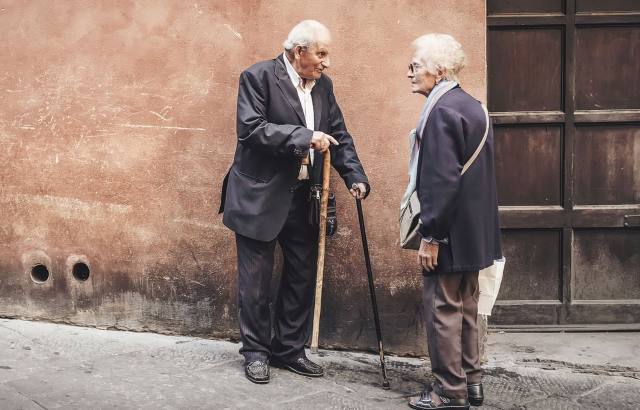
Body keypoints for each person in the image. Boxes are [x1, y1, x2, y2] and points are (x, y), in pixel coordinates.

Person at [219, 20, 370, 384]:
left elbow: (338, 134)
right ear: (298, 51)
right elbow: (252, 129)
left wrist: (355, 176)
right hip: (259, 196)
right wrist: (304, 136)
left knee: (302, 276)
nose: (326, 62)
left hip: (304, 197)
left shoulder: (324, 86)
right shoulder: (257, 77)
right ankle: (256, 352)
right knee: (254, 282)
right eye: (321, 53)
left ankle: (289, 349)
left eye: (326, 54)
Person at [403, 34, 502, 409]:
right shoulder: (473, 105)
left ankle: (448, 391)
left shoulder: (442, 111)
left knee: (443, 309)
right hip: (474, 234)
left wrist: (431, 236)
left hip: (449, 233)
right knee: (467, 307)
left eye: (416, 66)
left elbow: (441, 181)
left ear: (439, 70)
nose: (409, 72)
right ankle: (472, 383)